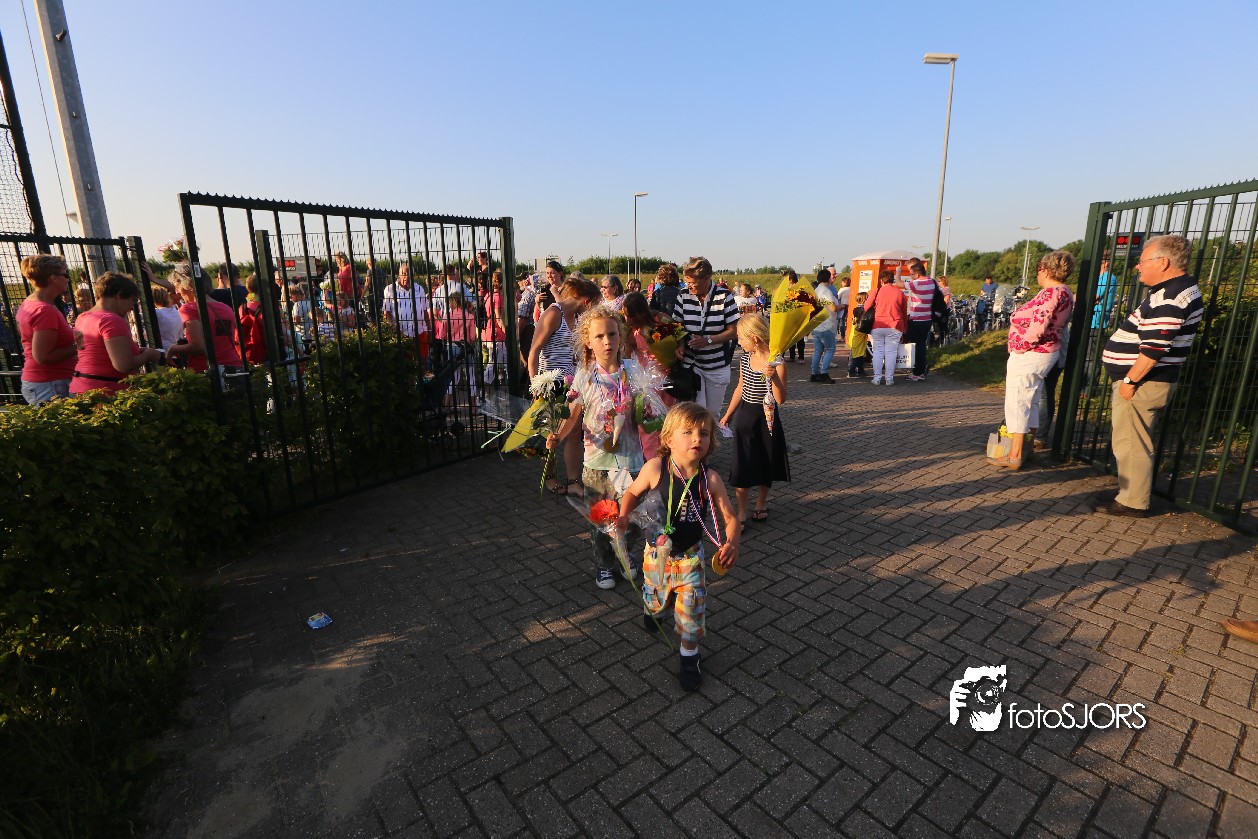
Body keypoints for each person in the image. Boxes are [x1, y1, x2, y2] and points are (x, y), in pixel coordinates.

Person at [618, 402, 740, 691]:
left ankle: (689, 655)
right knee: (655, 595)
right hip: (656, 553)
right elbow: (632, 493)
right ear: (669, 439)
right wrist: (623, 516)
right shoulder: (655, 468)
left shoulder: (709, 479)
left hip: (690, 556)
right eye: (688, 432)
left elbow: (730, 517)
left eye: (704, 433)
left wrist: (733, 541)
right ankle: (654, 609)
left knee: (692, 608)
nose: (697, 438)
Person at [1095, 235, 1203, 517]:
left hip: (1143, 383)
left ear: (1163, 262)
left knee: (1132, 443)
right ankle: (1128, 492)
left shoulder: (1169, 298)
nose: (1138, 267)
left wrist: (1130, 381)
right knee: (1131, 441)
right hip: (1147, 381)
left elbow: (1154, 348)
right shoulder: (1177, 290)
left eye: (1143, 261)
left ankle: (1133, 501)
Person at [547, 305, 652, 590]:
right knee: (600, 520)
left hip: (631, 461)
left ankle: (624, 553)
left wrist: (648, 413)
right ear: (588, 342)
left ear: (621, 336)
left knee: (632, 518)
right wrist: (558, 436)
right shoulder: (584, 376)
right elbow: (573, 415)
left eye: (612, 334)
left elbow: (646, 414)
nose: (607, 341)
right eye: (600, 336)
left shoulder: (634, 371)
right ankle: (604, 564)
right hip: (596, 464)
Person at [987, 251, 1077, 470]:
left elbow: (1039, 325)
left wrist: (1020, 346)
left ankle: (1015, 454)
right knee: (1033, 400)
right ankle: (1028, 448)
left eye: (1038, 269)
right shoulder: (1065, 291)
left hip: (1032, 353)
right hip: (1048, 352)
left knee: (1018, 401)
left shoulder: (1050, 293)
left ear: (1045, 270)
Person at [528, 269, 600, 495]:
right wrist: (535, 385)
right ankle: (549, 477)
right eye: (593, 305)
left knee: (574, 430)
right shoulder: (553, 313)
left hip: (572, 383)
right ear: (586, 301)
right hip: (550, 382)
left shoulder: (577, 318)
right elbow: (534, 351)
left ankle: (573, 481)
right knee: (550, 433)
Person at [719, 314, 789, 527]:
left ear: (754, 339)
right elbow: (741, 387)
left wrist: (773, 377)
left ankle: (761, 502)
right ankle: (741, 511)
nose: (739, 342)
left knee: (766, 462)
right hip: (745, 418)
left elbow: (781, 399)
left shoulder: (777, 362)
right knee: (743, 465)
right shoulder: (745, 359)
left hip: (768, 419)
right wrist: (728, 414)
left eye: (741, 338)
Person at [70, 272, 164, 395]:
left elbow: (92, 353)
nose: (132, 307)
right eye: (132, 300)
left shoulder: (82, 318)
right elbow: (123, 365)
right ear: (119, 295)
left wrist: (135, 351)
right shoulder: (111, 320)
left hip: (80, 387)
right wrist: (148, 355)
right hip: (105, 390)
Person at [673, 256, 740, 416]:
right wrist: (680, 344)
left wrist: (708, 341)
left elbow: (734, 330)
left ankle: (712, 432)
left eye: (692, 282)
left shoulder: (724, 296)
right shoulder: (683, 295)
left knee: (712, 413)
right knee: (695, 413)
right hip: (691, 365)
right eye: (686, 282)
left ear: (707, 278)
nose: (689, 286)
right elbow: (677, 325)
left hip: (716, 366)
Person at [166, 267, 244, 387]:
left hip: (206, 372)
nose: (177, 292)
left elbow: (198, 346)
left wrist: (173, 349)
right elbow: (220, 339)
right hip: (233, 369)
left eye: (177, 286)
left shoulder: (189, 309)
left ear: (189, 286)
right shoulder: (226, 308)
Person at [16, 254, 76, 404]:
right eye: (65, 274)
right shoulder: (44, 310)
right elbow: (43, 356)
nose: (68, 279)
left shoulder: (30, 303)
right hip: (51, 383)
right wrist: (80, 346)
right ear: (53, 278)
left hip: (47, 382)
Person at [382, 262, 431, 367]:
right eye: (404, 274)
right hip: (402, 333)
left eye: (409, 274)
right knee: (405, 363)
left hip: (420, 331)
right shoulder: (390, 290)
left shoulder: (419, 289)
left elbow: (425, 311)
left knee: (422, 360)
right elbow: (386, 313)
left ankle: (422, 378)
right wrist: (393, 327)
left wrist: (429, 329)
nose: (407, 277)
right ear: (399, 274)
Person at [866, 269, 907, 386]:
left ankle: (877, 378)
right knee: (891, 352)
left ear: (881, 280)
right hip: (895, 326)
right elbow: (904, 312)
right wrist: (905, 327)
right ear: (892, 279)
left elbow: (866, 307)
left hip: (877, 325)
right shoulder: (900, 293)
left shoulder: (876, 291)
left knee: (878, 352)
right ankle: (889, 379)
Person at [903, 258, 937, 381]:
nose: (910, 276)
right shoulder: (932, 282)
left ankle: (918, 372)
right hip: (927, 318)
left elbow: (898, 284)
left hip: (917, 319)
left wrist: (898, 272)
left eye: (911, 274)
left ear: (917, 274)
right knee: (921, 345)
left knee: (916, 346)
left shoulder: (916, 283)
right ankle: (920, 369)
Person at [809, 268, 840, 383]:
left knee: (818, 350)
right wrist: (842, 306)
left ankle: (814, 374)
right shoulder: (826, 292)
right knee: (830, 349)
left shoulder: (816, 290)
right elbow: (832, 308)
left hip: (816, 325)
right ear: (828, 278)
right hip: (826, 325)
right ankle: (824, 373)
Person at [481, 269, 508, 384]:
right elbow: (498, 317)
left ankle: (509, 378)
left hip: (488, 330)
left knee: (505, 358)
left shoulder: (488, 295)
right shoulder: (498, 297)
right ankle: (486, 383)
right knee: (493, 361)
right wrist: (506, 331)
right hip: (496, 332)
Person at [782, 270, 807, 363]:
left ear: (790, 280)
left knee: (799, 337)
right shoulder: (786, 289)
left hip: (798, 316)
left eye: (785, 279)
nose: (783, 282)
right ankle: (792, 356)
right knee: (789, 338)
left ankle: (801, 357)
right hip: (789, 317)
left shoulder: (799, 289)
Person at [846, 291, 869, 377]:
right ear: (864, 299)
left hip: (856, 334)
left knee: (859, 353)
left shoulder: (857, 309)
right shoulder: (863, 310)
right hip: (859, 334)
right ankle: (851, 371)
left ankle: (860, 370)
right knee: (857, 355)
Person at [1091, 257, 1117, 329]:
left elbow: (1094, 297)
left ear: (1106, 263)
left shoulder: (1108, 277)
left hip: (1097, 320)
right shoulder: (1097, 277)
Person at [835, 274, 851, 340]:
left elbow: (837, 297)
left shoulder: (842, 289)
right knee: (847, 321)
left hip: (843, 307)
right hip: (849, 306)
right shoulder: (851, 289)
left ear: (844, 282)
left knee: (841, 321)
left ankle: (842, 336)